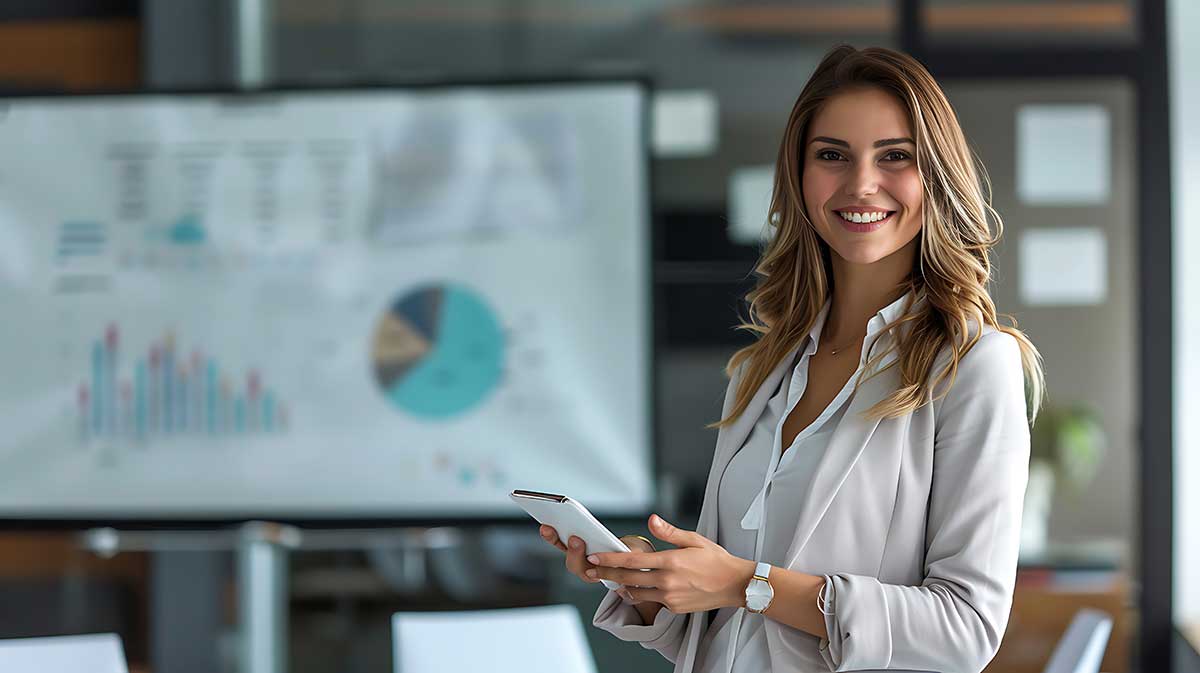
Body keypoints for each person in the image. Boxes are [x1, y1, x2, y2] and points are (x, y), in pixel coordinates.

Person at [539, 43, 1044, 673]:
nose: (862, 184)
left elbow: (966, 628)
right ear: (799, 178)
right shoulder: (760, 372)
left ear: (935, 176)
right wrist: (652, 579)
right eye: (832, 156)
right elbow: (726, 626)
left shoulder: (973, 367)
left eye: (895, 157)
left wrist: (745, 582)